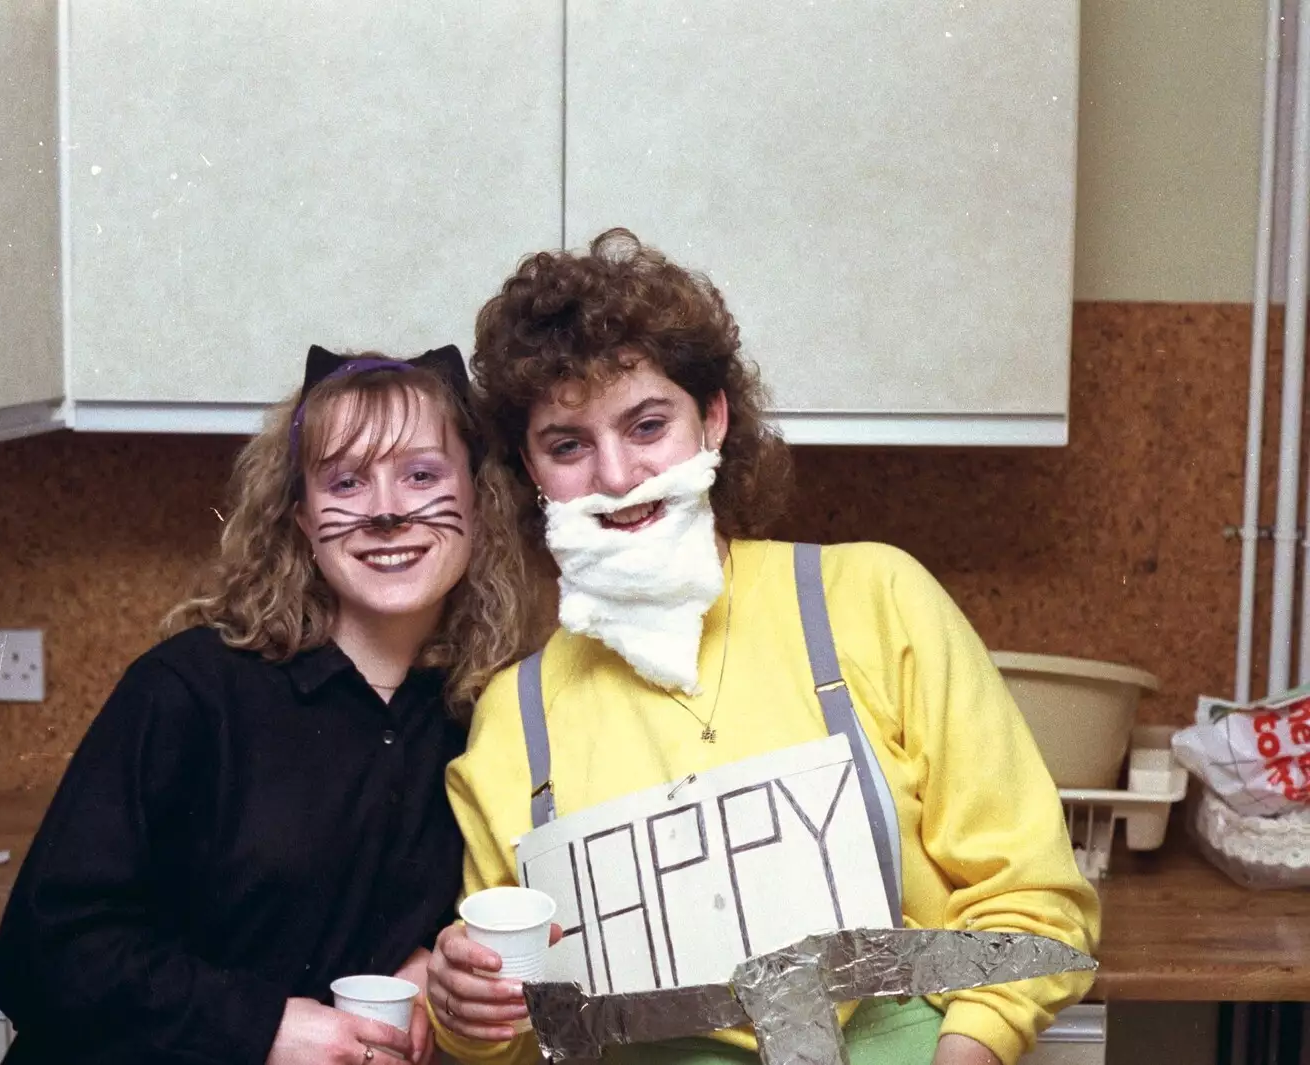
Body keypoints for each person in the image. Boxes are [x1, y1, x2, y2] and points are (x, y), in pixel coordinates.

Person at [424, 231, 1101, 1065]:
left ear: (712, 419)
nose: (618, 473)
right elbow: (516, 1032)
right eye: (568, 444)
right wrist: (467, 1009)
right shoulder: (515, 717)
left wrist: (971, 1048)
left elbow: (1032, 901)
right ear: (531, 468)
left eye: (647, 424)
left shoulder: (873, 601)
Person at [0, 344, 536, 1065]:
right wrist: (263, 1026)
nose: (387, 512)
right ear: (303, 519)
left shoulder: (483, 713)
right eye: (345, 482)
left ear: (478, 497)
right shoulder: (189, 692)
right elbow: (42, 954)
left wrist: (431, 957)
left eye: (422, 475)